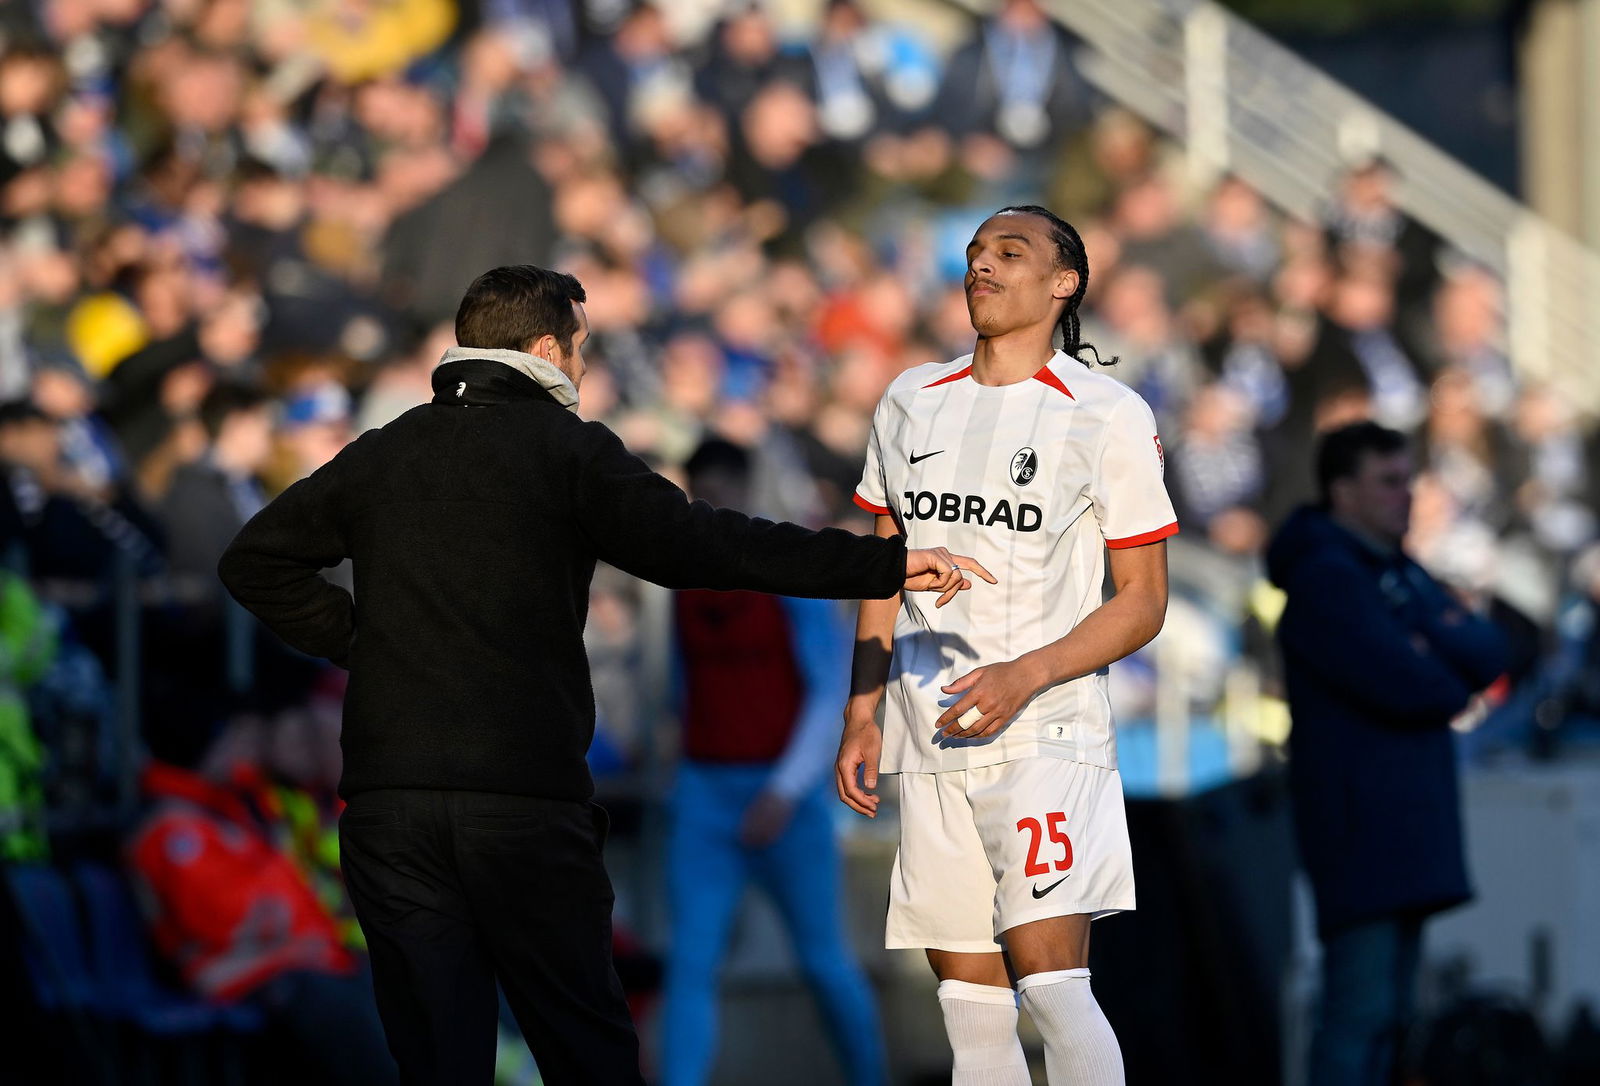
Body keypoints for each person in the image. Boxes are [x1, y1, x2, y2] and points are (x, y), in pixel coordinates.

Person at [217, 264, 987, 1085]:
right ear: (546, 347)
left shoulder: (385, 450)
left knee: (440, 1063)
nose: (585, 368)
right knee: (587, 1052)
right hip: (521, 805)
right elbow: (707, 544)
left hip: (390, 808)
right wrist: (877, 563)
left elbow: (254, 562)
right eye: (582, 348)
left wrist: (366, 645)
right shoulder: (568, 451)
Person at [839, 205, 1177, 1085]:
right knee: (971, 1011)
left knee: (1052, 980)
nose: (982, 266)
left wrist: (1028, 674)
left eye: (1009, 252)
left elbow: (1142, 603)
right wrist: (863, 712)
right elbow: (881, 567)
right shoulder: (911, 397)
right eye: (975, 253)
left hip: (1045, 731)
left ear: (1064, 283)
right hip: (928, 727)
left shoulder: (1107, 413)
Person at [1265, 421, 1506, 1086]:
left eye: (1409, 481)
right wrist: (1431, 658)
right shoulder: (1327, 580)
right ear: (1343, 492)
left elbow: (1488, 650)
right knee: (1359, 1014)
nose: (1407, 497)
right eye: (1389, 482)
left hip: (1403, 825)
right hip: (1361, 829)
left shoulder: (1395, 570)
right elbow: (1409, 684)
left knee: (1394, 1015)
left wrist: (1428, 653)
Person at [662, 437, 888, 1086]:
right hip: (706, 793)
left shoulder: (784, 570)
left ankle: (871, 1077)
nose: (710, 505)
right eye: (699, 492)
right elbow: (673, 685)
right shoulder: (677, 578)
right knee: (691, 961)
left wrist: (787, 789)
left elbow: (829, 688)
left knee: (824, 961)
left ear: (744, 489)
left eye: (721, 491)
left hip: (784, 801)